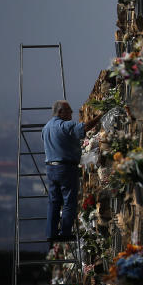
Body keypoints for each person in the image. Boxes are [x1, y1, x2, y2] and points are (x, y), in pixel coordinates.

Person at [42, 100, 102, 242]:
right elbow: (85, 127)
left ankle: (51, 233)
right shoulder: (64, 125)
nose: (71, 113)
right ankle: (65, 233)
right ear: (60, 112)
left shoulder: (46, 127)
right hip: (65, 168)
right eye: (68, 111)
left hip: (51, 168)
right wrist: (100, 116)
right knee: (69, 201)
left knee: (54, 202)